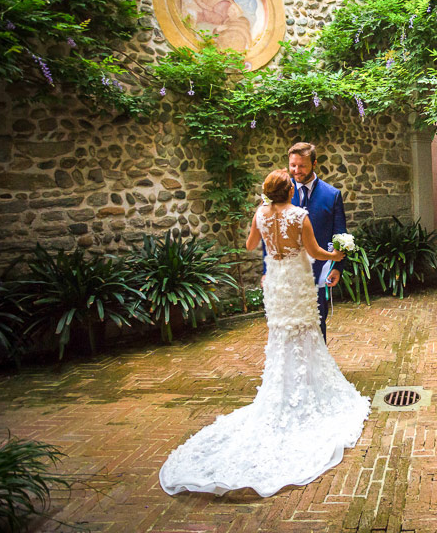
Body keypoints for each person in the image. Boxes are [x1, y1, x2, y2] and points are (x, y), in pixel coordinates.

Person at [159, 169, 370, 497]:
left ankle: (283, 388)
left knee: (282, 339)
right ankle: (306, 389)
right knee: (305, 335)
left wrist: (264, 225)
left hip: (276, 283)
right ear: (289, 191)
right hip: (297, 284)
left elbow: (250, 244)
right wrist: (336, 256)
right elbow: (314, 252)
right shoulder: (300, 216)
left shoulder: (260, 214)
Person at [262, 142, 347, 343]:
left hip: (319, 270)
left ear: (314, 164)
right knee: (289, 324)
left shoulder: (331, 195)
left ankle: (317, 368)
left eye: (302, 166)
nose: (296, 171)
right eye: (293, 166)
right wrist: (267, 271)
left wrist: (337, 268)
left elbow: (340, 234)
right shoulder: (279, 194)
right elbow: (269, 237)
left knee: (317, 322)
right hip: (286, 272)